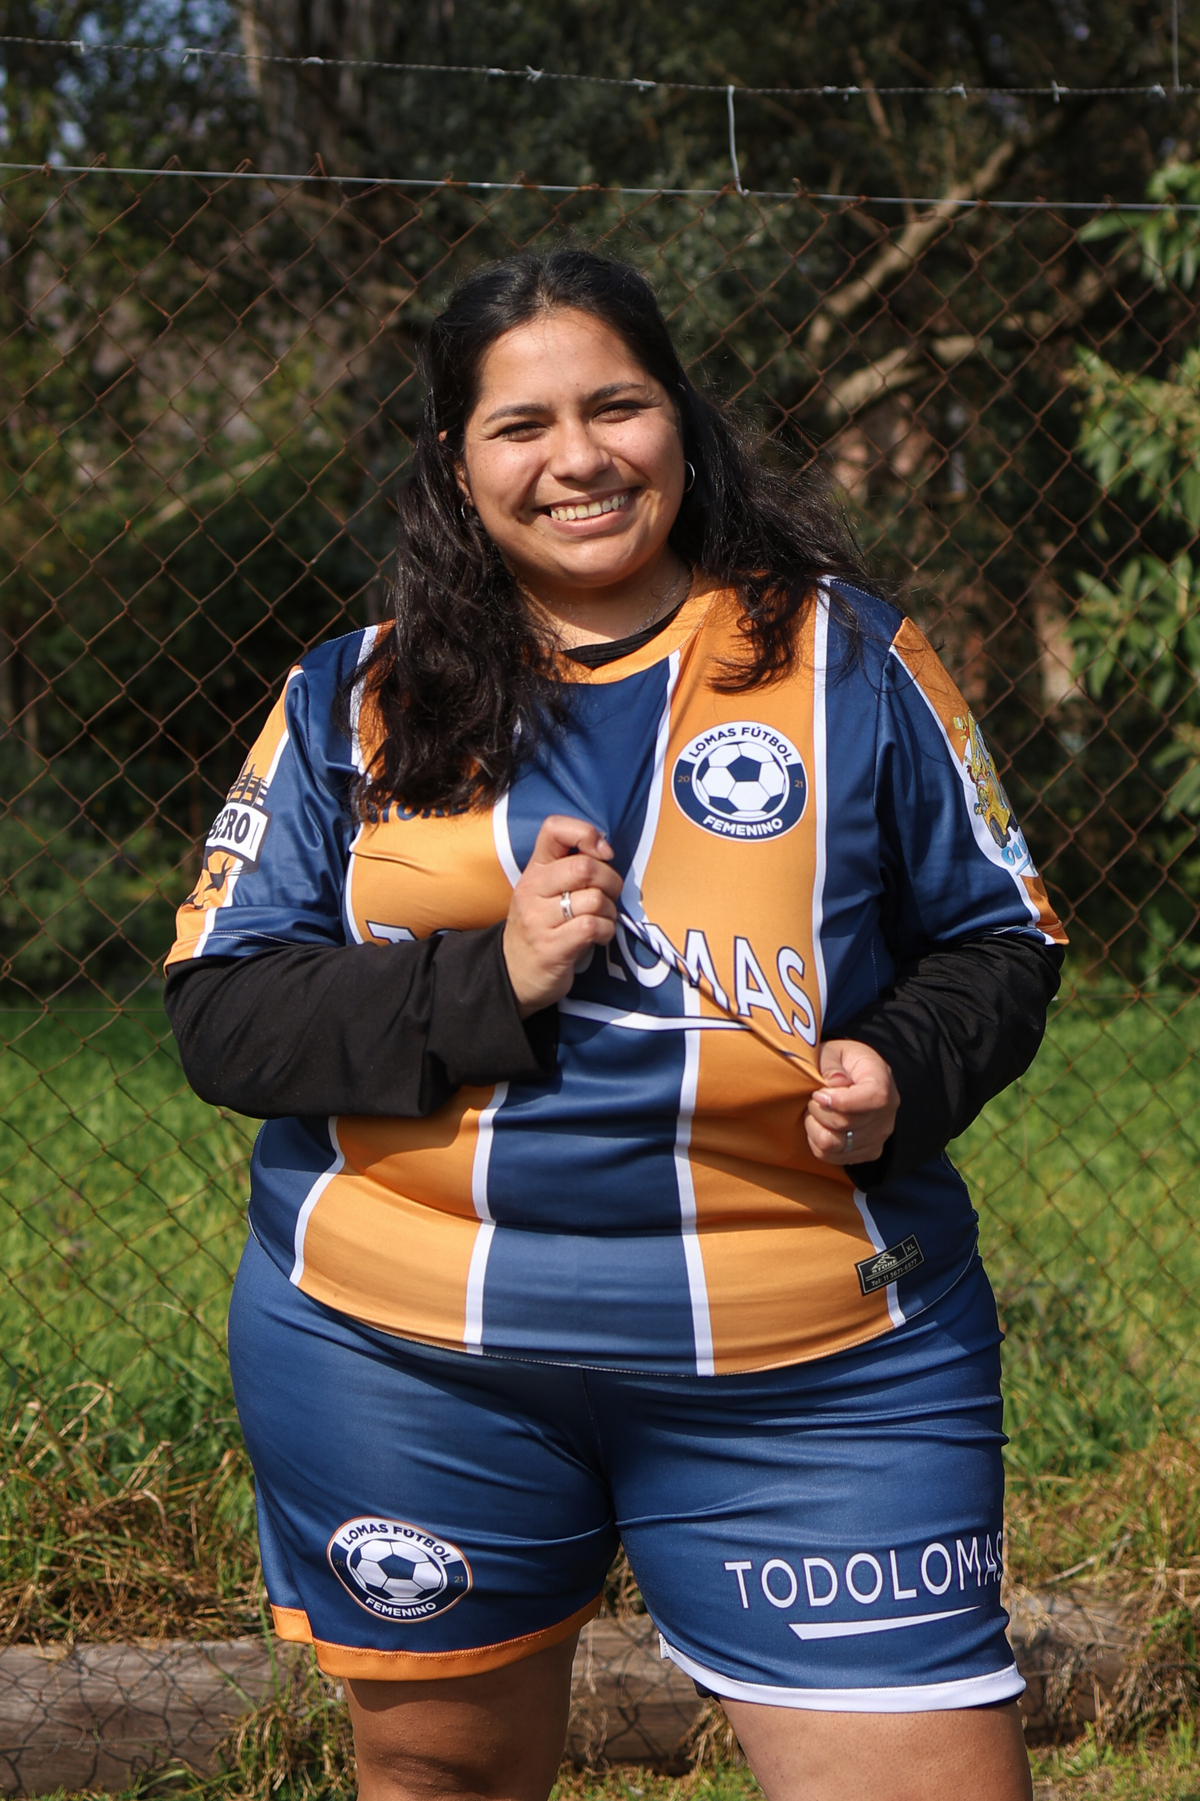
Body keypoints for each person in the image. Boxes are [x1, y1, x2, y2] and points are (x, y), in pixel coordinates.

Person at [165, 248, 1064, 1801]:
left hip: (819, 1359)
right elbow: (223, 1013)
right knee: (443, 1772)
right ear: (456, 463)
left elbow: (1003, 938)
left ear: (681, 421)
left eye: (616, 407)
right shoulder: (350, 698)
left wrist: (905, 1064)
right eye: (521, 425)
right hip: (407, 1359)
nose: (577, 457)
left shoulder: (852, 657)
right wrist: (489, 978)